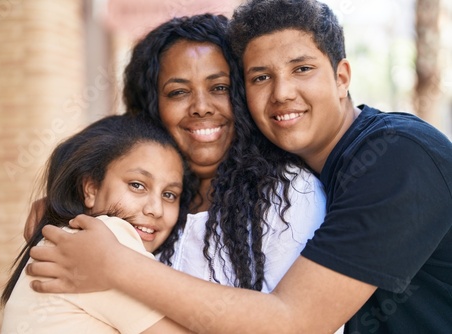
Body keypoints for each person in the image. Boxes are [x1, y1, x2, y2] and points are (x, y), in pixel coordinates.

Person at [26, 1, 452, 333]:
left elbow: (293, 322)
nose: (283, 93)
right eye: (260, 77)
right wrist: (66, 206)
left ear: (342, 77)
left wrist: (116, 265)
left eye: (302, 69)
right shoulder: (177, 200)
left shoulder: (397, 157)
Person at [23, 13, 327, 294]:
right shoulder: (139, 203)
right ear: (152, 108)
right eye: (178, 92)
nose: (201, 106)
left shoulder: (289, 195)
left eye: (220, 87)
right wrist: (61, 209)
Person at [0, 115, 197, 333]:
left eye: (169, 194)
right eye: (137, 185)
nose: (156, 209)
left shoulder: (70, 240)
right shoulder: (106, 238)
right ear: (91, 189)